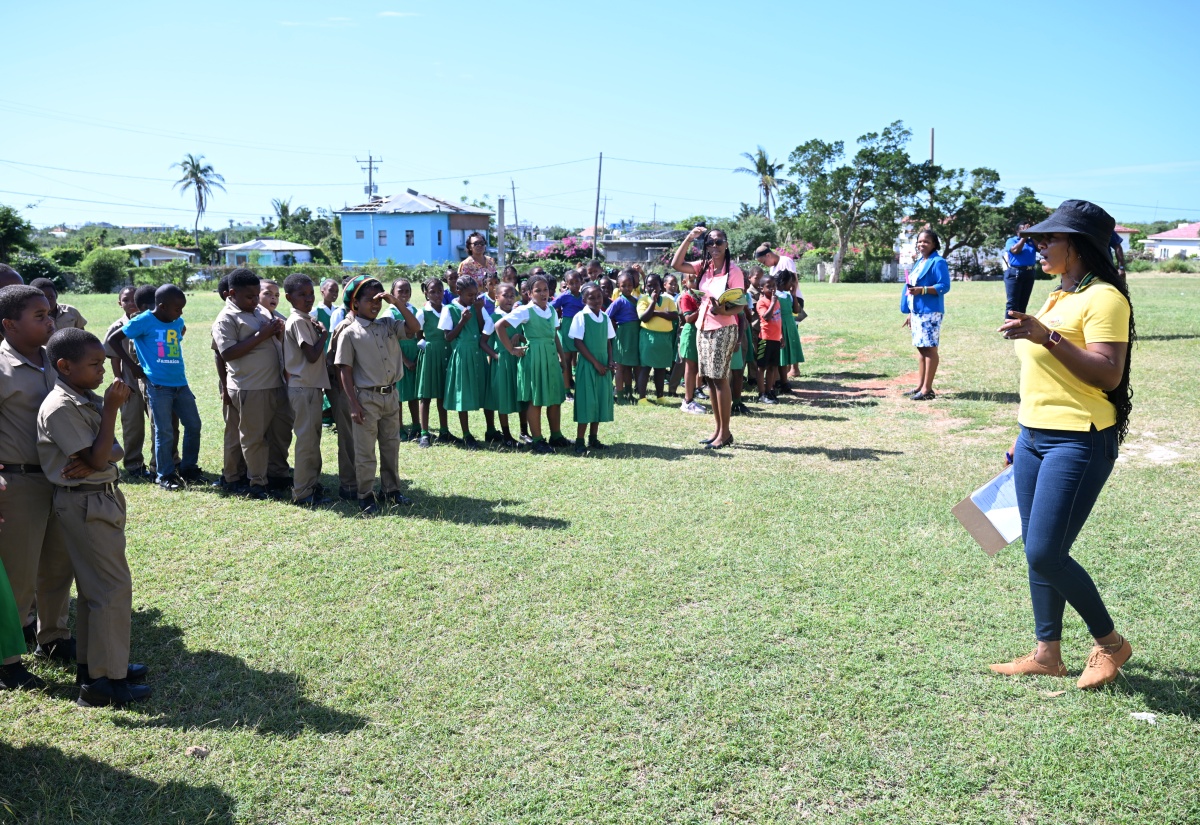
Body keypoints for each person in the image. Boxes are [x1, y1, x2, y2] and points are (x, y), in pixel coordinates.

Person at [991, 199, 1135, 690]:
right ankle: (1047, 653)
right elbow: (1043, 379)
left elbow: (1108, 371)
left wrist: (1046, 335)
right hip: (1035, 438)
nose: (1039, 246)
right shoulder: (1057, 296)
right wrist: (1021, 436)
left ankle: (1111, 644)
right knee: (1036, 547)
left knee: (1045, 552)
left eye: (1048, 239)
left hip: (1079, 439)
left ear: (1076, 245)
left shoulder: (1106, 299)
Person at [37, 328, 151, 706]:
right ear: (64, 366)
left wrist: (99, 451)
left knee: (95, 592)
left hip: (97, 499)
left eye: (104, 362)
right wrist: (112, 410)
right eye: (95, 364)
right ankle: (104, 682)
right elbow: (101, 457)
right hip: (85, 503)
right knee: (111, 590)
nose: (104, 371)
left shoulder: (82, 397)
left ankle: (95, 667)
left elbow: (110, 453)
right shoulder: (61, 406)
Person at [0, 285, 75, 672]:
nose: (50, 321)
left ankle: (54, 637)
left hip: (60, 477)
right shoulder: (1, 366)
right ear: (9, 324)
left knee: (58, 565)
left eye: (50, 313)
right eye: (39, 316)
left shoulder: (57, 359)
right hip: (19, 480)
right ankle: (8, 657)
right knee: (18, 573)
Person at [107, 284, 204, 490]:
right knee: (164, 431)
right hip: (158, 385)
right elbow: (112, 340)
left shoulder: (177, 321)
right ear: (162, 306)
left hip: (180, 383)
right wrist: (132, 366)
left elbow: (175, 341)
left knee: (194, 425)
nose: (181, 313)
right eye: (177, 309)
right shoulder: (143, 321)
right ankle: (164, 475)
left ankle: (188, 468)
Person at [335, 275, 416, 514]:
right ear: (355, 304)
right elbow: (345, 371)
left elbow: (414, 328)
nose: (375, 305)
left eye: (378, 300)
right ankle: (365, 494)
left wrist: (396, 303)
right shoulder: (350, 332)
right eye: (369, 300)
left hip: (391, 395)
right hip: (366, 398)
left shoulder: (388, 324)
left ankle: (391, 490)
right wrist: (353, 403)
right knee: (365, 450)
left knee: (391, 445)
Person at [212, 269, 292, 500]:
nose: (255, 300)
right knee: (253, 438)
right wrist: (262, 334)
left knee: (280, 434)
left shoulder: (260, 310)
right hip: (251, 387)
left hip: (276, 383)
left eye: (257, 295)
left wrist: (277, 332)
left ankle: (278, 474)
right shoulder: (226, 318)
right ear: (233, 294)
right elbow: (227, 353)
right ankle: (257, 481)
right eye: (250, 297)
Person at [671, 226, 745, 449]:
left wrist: (722, 310)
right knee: (710, 380)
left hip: (723, 328)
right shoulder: (703, 267)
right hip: (703, 328)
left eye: (718, 242)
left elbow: (739, 305)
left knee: (720, 379)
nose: (714, 246)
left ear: (727, 244)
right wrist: (689, 238)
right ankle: (718, 430)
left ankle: (726, 432)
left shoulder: (734, 271)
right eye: (709, 243)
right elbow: (676, 265)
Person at [497, 274, 569, 454]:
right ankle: (537, 440)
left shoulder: (551, 310)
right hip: (534, 358)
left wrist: (562, 357)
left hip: (550, 357)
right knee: (535, 400)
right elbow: (499, 326)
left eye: (545, 290)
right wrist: (512, 350)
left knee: (554, 399)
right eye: (538, 290)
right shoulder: (525, 310)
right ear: (529, 293)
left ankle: (556, 435)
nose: (543, 293)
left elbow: (554, 335)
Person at [283, 274, 332, 507]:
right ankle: (302, 492)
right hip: (303, 387)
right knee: (306, 441)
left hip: (310, 387)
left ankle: (311, 485)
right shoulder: (298, 321)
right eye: (301, 295)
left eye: (311, 293)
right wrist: (324, 334)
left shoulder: (306, 318)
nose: (308, 298)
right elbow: (311, 355)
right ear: (289, 298)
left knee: (312, 439)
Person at [103, 287, 153, 481]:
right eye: (126, 300)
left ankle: (162, 462)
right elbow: (114, 357)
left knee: (159, 421)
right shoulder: (116, 327)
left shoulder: (152, 321)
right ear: (120, 303)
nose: (131, 303)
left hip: (152, 378)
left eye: (134, 299)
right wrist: (120, 379)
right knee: (132, 423)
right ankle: (134, 464)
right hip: (129, 379)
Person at [441, 274, 494, 449]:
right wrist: (462, 321)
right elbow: (448, 337)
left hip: (478, 353)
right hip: (462, 355)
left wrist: (478, 310)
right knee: (463, 393)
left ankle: (491, 429)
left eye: (475, 294)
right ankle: (466, 434)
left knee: (485, 391)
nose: (473, 298)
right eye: (469, 295)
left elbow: (482, 329)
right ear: (458, 291)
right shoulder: (449, 309)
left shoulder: (478, 306)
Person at [900, 229, 951, 401]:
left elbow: (944, 286)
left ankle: (927, 390)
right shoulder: (920, 261)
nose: (922, 244)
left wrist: (922, 290)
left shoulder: (938, 262)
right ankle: (920, 386)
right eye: (920, 241)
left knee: (929, 349)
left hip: (930, 311)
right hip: (917, 312)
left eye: (926, 242)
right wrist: (910, 313)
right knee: (921, 349)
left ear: (934, 244)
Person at [569, 283, 615, 454]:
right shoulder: (580, 317)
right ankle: (579, 441)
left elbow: (608, 342)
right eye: (591, 297)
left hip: (603, 364)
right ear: (584, 300)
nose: (596, 300)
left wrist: (610, 361)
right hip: (589, 365)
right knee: (587, 401)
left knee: (599, 400)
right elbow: (577, 342)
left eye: (599, 297)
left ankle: (593, 438)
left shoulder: (605, 317)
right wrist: (596, 363)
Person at [415, 277, 453, 449]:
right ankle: (424, 433)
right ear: (426, 293)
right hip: (430, 354)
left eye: (440, 291)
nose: (437, 295)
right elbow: (418, 335)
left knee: (442, 394)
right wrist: (427, 348)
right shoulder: (423, 312)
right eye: (433, 292)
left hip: (445, 353)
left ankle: (444, 431)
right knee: (426, 394)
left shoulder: (447, 310)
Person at [485, 283, 522, 448]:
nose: (509, 299)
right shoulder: (492, 318)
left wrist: (519, 336)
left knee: (521, 395)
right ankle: (506, 435)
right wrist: (495, 356)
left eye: (512, 296)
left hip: (518, 361)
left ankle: (524, 431)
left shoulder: (518, 315)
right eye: (505, 295)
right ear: (496, 297)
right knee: (503, 398)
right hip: (502, 362)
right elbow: (482, 342)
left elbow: (525, 335)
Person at [635, 273, 678, 405]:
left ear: (661, 287)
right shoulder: (643, 300)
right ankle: (642, 398)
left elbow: (674, 315)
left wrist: (656, 313)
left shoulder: (668, 300)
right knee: (646, 367)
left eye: (656, 285)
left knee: (660, 368)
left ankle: (660, 396)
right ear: (645, 287)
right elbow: (644, 317)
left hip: (664, 338)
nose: (653, 288)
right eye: (649, 285)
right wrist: (653, 302)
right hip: (649, 336)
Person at [387, 279, 422, 442]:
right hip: (398, 356)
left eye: (407, 290)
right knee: (399, 396)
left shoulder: (413, 309)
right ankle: (399, 428)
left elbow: (418, 333)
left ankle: (417, 426)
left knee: (414, 394)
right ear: (392, 292)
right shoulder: (390, 313)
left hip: (414, 353)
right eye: (400, 291)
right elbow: (391, 341)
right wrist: (405, 360)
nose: (404, 294)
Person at [606, 270, 641, 403]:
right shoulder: (619, 301)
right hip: (623, 335)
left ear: (634, 285)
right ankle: (619, 396)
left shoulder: (636, 301)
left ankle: (629, 393)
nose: (627, 288)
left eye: (629, 285)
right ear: (618, 287)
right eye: (623, 286)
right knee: (620, 366)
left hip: (634, 336)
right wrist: (614, 326)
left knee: (629, 366)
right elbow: (607, 316)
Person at [552, 269, 584, 398]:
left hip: (580, 328)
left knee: (579, 359)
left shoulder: (584, 295)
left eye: (577, 282)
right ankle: (566, 390)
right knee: (566, 359)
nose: (575, 285)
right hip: (566, 329)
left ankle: (577, 384)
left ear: (581, 281)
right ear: (566, 284)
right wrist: (556, 322)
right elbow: (550, 306)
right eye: (572, 283)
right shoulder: (564, 296)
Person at [676, 271, 705, 415]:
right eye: (692, 280)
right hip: (690, 333)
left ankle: (691, 398)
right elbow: (688, 318)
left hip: (699, 332)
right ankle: (687, 401)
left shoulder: (699, 296)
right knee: (690, 368)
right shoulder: (685, 297)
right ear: (684, 283)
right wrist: (702, 309)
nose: (695, 283)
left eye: (697, 280)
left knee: (696, 368)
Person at [775, 270, 805, 391]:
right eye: (791, 283)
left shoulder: (787, 295)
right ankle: (781, 381)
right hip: (780, 326)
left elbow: (797, 310)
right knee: (781, 355)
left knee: (787, 353)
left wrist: (793, 294)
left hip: (790, 326)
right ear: (784, 282)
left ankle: (784, 380)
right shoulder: (775, 295)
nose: (792, 285)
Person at [754, 275, 782, 404]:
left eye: (774, 286)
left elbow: (779, 321)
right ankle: (762, 393)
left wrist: (781, 336)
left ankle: (770, 390)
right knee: (762, 367)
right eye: (768, 286)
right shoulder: (762, 302)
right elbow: (767, 317)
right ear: (761, 288)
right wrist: (772, 303)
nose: (772, 289)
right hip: (765, 340)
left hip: (776, 339)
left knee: (773, 367)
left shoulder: (776, 301)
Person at [1004, 223, 1039, 319]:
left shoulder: (1031, 241)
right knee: (1013, 303)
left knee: (1023, 303)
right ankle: (1009, 330)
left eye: (1027, 229)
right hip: (1015, 273)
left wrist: (1032, 236)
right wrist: (1024, 237)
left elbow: (1040, 248)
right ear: (1017, 231)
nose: (1026, 231)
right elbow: (1015, 251)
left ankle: (1019, 328)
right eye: (1023, 229)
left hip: (1029, 273)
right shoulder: (1012, 240)